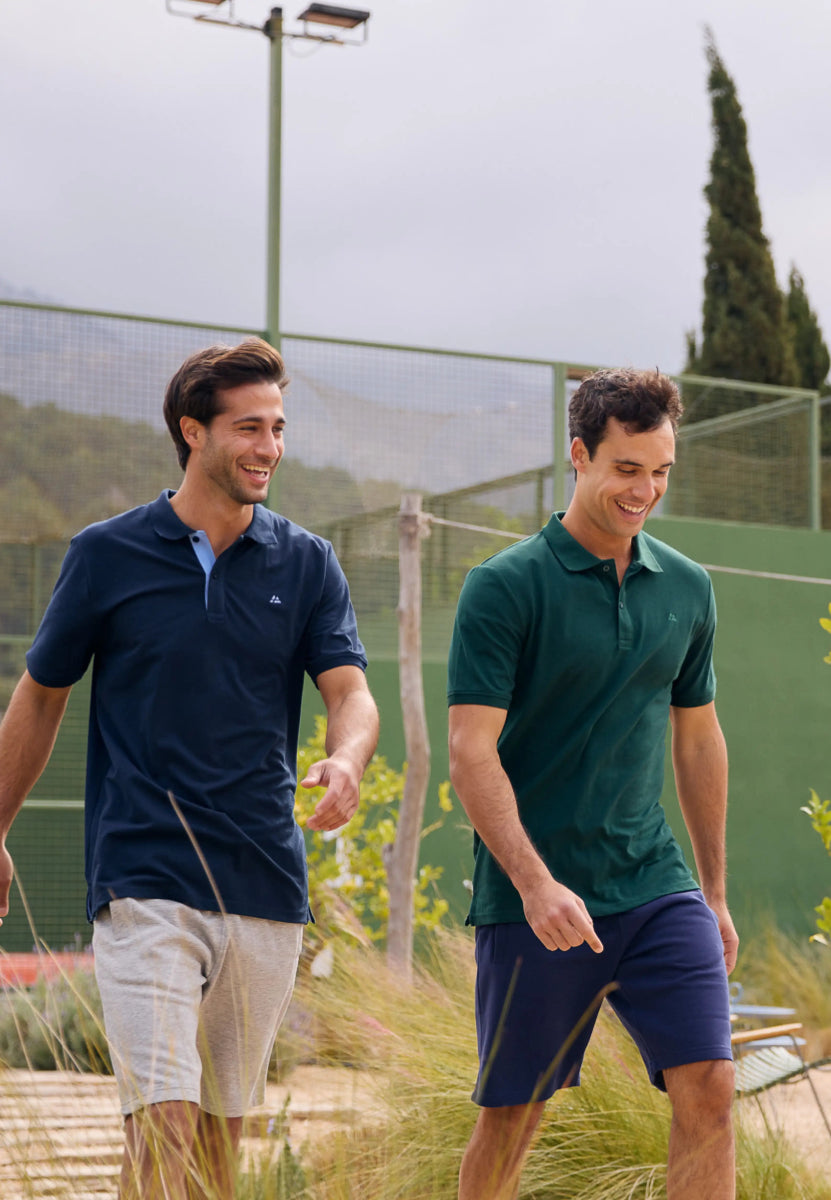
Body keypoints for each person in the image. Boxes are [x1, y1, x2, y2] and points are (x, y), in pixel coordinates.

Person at [0, 337, 379, 1200]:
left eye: (278, 429)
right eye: (249, 428)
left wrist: (347, 759)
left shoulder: (308, 563)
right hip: (145, 883)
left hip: (265, 888)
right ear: (192, 431)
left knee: (215, 1155)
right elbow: (41, 696)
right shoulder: (106, 555)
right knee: (162, 1131)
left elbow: (350, 695)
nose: (268, 448)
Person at [447, 367, 738, 1200]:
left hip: (652, 884)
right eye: (625, 469)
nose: (644, 490)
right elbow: (472, 753)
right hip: (533, 900)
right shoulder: (504, 587)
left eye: (659, 472)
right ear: (578, 455)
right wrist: (535, 886)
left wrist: (712, 892)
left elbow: (696, 738)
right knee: (513, 1116)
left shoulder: (686, 587)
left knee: (710, 1086)